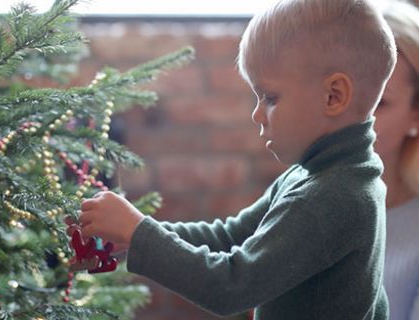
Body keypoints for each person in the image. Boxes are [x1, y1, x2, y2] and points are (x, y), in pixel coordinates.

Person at [72, 0, 397, 318]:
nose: (257, 114)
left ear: (333, 96)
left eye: (270, 97)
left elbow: (230, 286)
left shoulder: (332, 197)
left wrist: (139, 232)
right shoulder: (317, 175)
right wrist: (131, 235)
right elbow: (228, 237)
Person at [376, 2, 419, 319]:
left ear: (415, 114)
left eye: (378, 102)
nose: (353, 116)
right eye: (339, 93)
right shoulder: (298, 200)